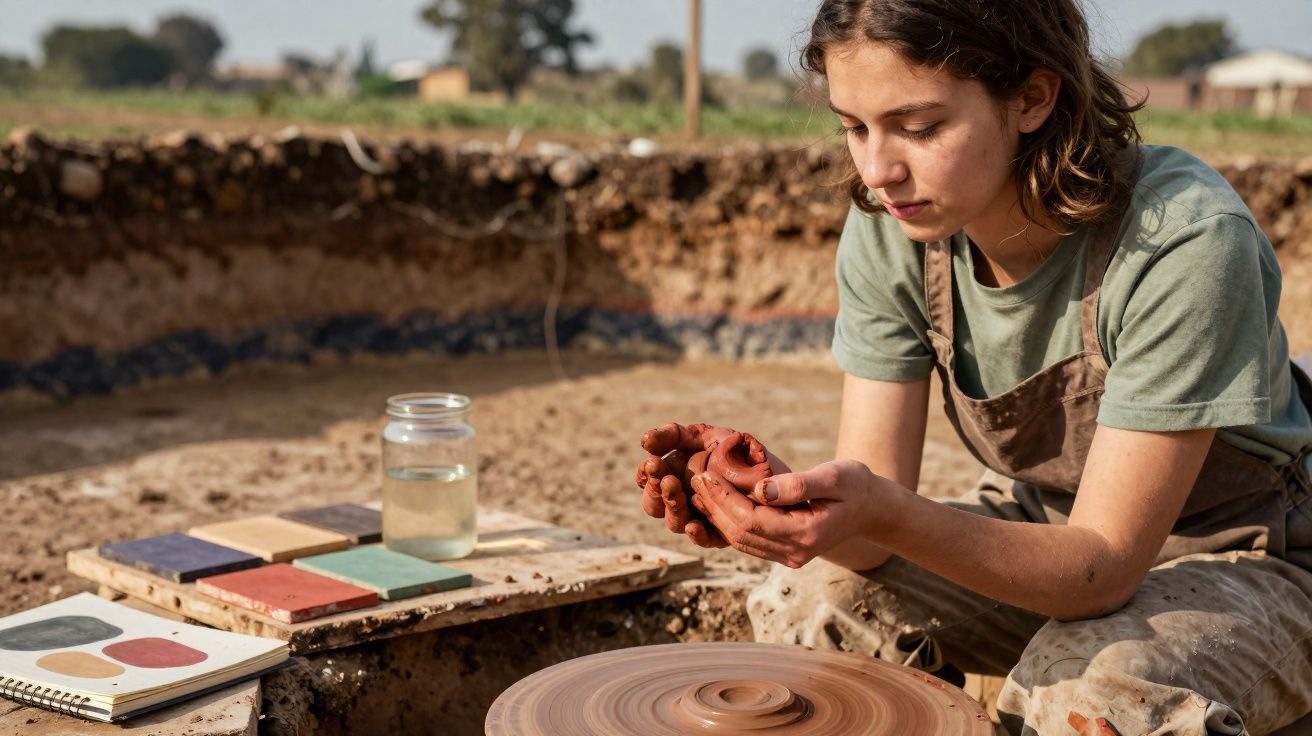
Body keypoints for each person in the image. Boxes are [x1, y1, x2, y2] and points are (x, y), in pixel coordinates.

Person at [635, 1, 1312, 733]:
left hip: (1252, 551)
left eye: (920, 128)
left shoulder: (1182, 242)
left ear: (1032, 98)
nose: (878, 169)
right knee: (815, 599)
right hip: (1047, 531)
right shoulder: (895, 227)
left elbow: (1102, 567)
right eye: (854, 127)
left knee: (1102, 693)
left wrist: (882, 509)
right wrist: (781, 501)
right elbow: (866, 534)